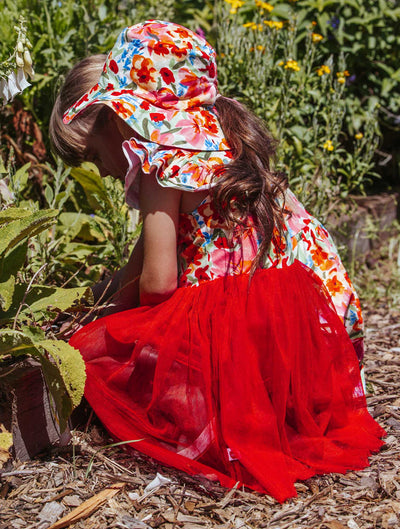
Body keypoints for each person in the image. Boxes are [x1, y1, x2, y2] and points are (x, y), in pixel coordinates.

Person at [50, 20, 384, 503]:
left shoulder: (159, 164)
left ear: (115, 118)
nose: (101, 168)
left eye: (92, 156)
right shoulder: (226, 135)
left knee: (98, 356)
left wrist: (100, 324)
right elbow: (137, 267)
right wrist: (104, 298)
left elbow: (158, 284)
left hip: (227, 332)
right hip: (288, 320)